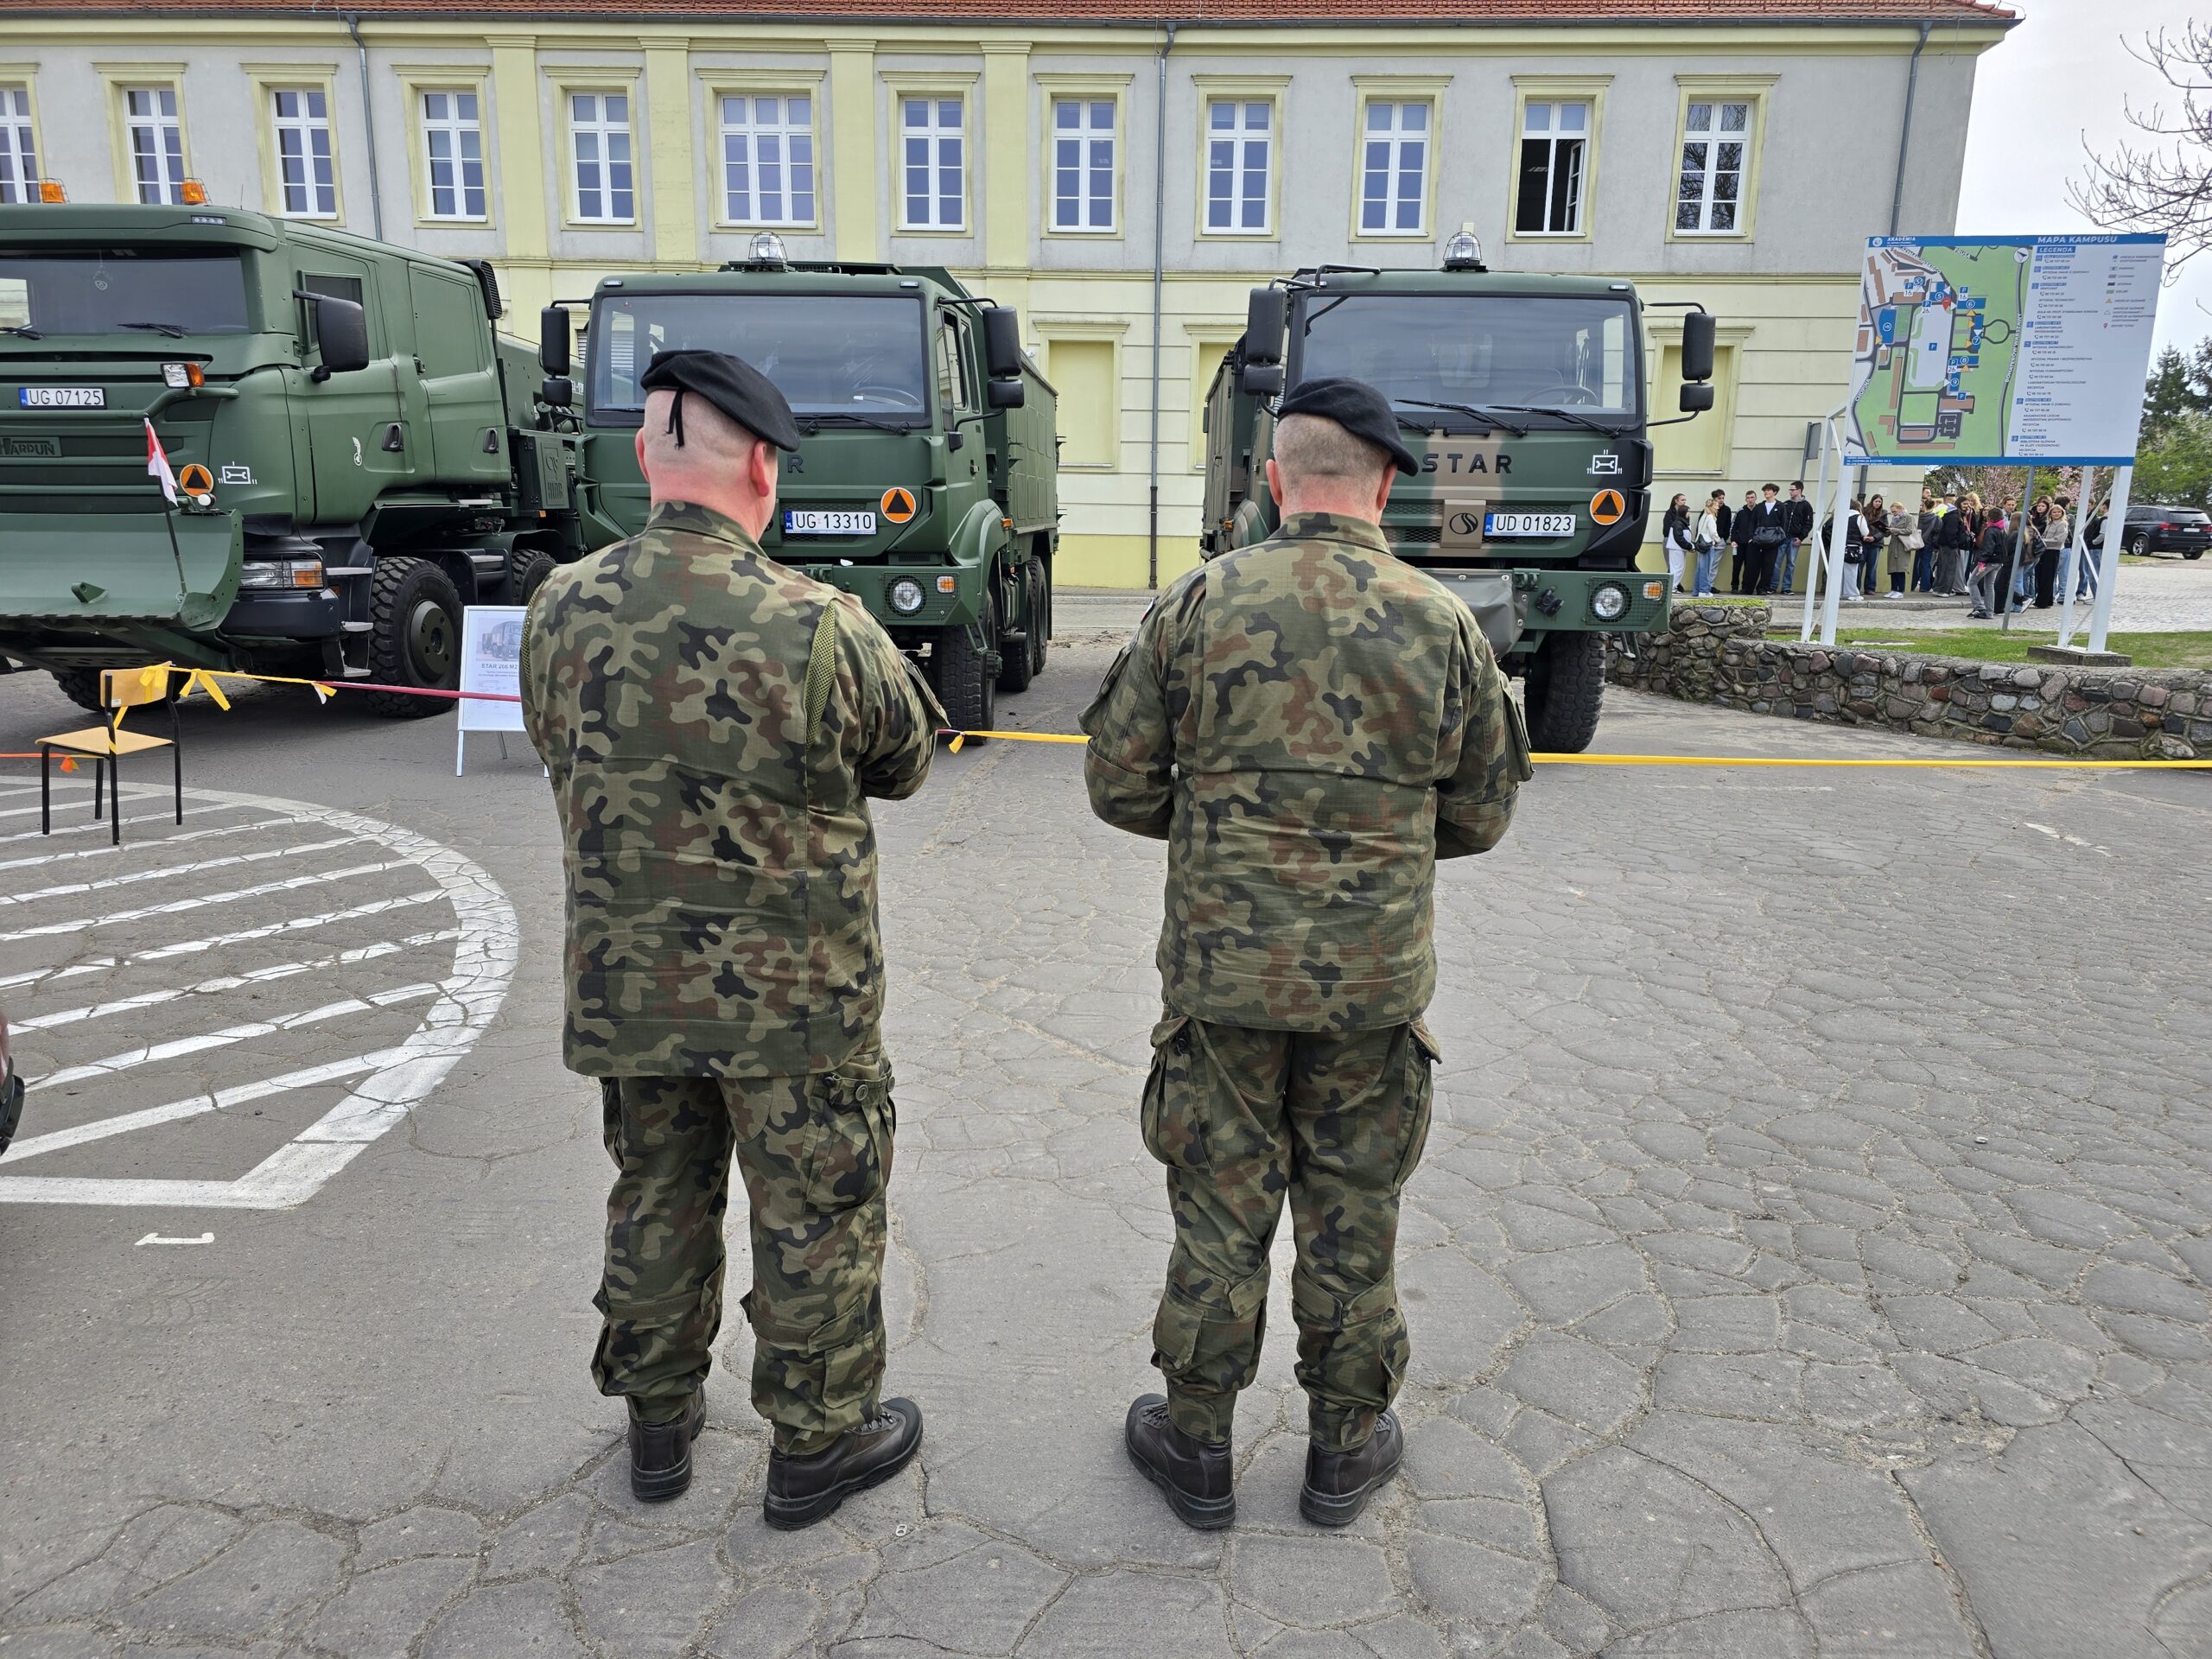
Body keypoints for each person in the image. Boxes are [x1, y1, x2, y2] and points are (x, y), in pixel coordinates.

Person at [1081, 376, 1530, 1532]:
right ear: (1386, 483)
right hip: (1374, 985)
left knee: (1219, 1213)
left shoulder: (1197, 605)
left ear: (1275, 478)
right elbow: (1481, 815)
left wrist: (1232, 837)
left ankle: (1195, 1444)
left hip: (1223, 982)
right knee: (1353, 1210)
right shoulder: (1441, 624)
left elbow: (1118, 782)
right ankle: (1341, 1451)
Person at [519, 349, 944, 1523]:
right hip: (793, 999)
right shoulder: (817, 624)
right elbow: (907, 760)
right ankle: (817, 1442)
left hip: (631, 990)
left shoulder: (559, 607)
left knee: (656, 1190)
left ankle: (658, 1430)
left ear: (649, 453)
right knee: (815, 1210)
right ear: (761, 464)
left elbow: (561, 750)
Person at [1967, 497, 2012, 619]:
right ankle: (1989, 612)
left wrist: (1981, 562)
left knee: (1971, 582)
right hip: (1998, 562)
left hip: (1988, 561)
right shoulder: (2002, 530)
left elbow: (1988, 548)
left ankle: (1979, 607)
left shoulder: (1991, 530)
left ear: (1989, 518)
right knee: (1989, 586)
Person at [1746, 483, 1789, 594]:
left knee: (1768, 566)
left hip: (1773, 541)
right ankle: (1748, 588)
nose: (1766, 492)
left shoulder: (1780, 506)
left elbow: (1784, 523)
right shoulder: (1759, 506)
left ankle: (1763, 588)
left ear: (1774, 492)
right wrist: (1751, 538)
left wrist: (1780, 539)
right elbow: (1753, 523)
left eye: (1769, 490)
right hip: (1758, 539)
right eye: (1765, 490)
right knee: (1753, 565)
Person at [1935, 491, 1977, 595]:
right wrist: (1955, 544)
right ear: (1959, 504)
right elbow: (1951, 532)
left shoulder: (1955, 514)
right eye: (1964, 504)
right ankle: (1944, 590)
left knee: (1943, 567)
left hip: (1948, 545)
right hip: (1950, 546)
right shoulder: (1954, 516)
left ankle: (1939, 588)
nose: (1967, 506)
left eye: (1968, 504)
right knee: (1949, 568)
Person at [1778, 480, 1815, 595]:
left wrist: (1801, 538)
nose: (1790, 492)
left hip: (1795, 538)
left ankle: (1786, 587)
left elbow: (1808, 523)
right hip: (1783, 538)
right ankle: (1772, 586)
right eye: (1790, 489)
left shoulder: (1806, 505)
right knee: (1776, 562)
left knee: (1791, 564)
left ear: (1799, 490)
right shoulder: (1785, 504)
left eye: (1793, 489)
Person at [2035, 494, 2071, 608]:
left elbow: (2059, 539)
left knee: (2048, 576)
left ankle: (2043, 602)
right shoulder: (2049, 524)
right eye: (2054, 512)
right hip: (2045, 551)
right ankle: (2046, 599)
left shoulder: (2062, 524)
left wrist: (2043, 540)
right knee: (2043, 576)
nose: (2056, 514)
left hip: (2053, 551)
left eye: (2058, 512)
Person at [1885, 493, 1918, 596]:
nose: (1893, 513)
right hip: (1893, 545)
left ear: (1900, 509)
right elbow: (1891, 530)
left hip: (1903, 546)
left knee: (1900, 569)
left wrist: (1895, 530)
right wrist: (1886, 530)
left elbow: (1910, 530)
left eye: (1894, 511)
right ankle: (1894, 589)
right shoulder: (1895, 519)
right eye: (1892, 511)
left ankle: (1900, 591)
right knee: (1893, 569)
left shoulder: (1909, 517)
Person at [1694, 489, 1726, 597]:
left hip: (1701, 544)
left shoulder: (1704, 515)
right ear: (1712, 506)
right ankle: (1704, 591)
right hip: (1708, 545)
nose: (1718, 507)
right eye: (1716, 505)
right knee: (1706, 569)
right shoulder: (1711, 517)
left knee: (1700, 568)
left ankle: (1697, 590)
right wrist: (1717, 540)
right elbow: (1713, 532)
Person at [1729, 487, 1760, 593]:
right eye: (1748, 498)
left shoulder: (1759, 510)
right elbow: (1733, 527)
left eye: (1752, 497)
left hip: (1753, 544)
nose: (1750, 500)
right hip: (1739, 544)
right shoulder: (1740, 511)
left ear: (1756, 498)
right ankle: (1734, 586)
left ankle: (1745, 587)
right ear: (1745, 499)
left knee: (1749, 567)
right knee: (1736, 566)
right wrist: (1733, 540)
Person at [1661, 493, 1693, 594]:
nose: (1684, 502)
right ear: (1676, 501)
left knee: (1678, 567)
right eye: (1682, 500)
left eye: (1685, 500)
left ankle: (1674, 585)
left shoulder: (1684, 518)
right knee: (1674, 566)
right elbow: (1673, 533)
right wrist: (1688, 546)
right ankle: (1671, 586)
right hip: (1674, 543)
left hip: (1681, 545)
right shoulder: (1671, 514)